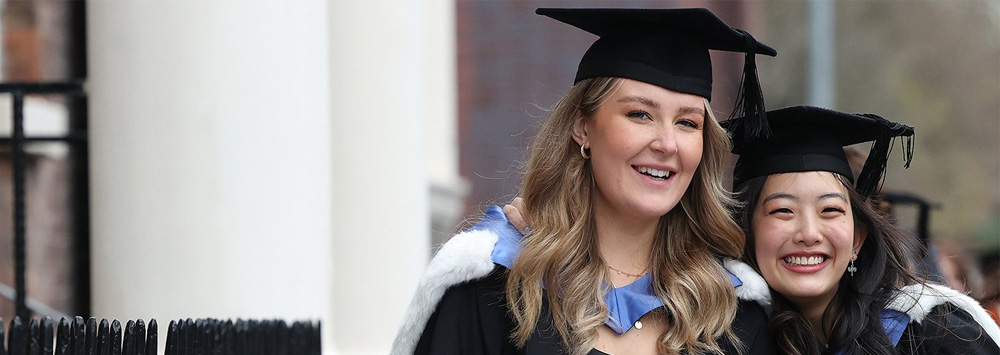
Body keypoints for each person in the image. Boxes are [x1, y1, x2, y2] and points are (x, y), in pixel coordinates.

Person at [391, 7, 778, 355]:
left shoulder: (732, 311)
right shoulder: (494, 290)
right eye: (640, 115)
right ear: (582, 126)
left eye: (688, 123)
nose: (666, 143)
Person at [725, 106, 1000, 354]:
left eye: (830, 211)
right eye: (783, 211)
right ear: (746, 234)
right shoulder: (727, 340)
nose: (809, 234)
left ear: (858, 239)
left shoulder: (931, 337)